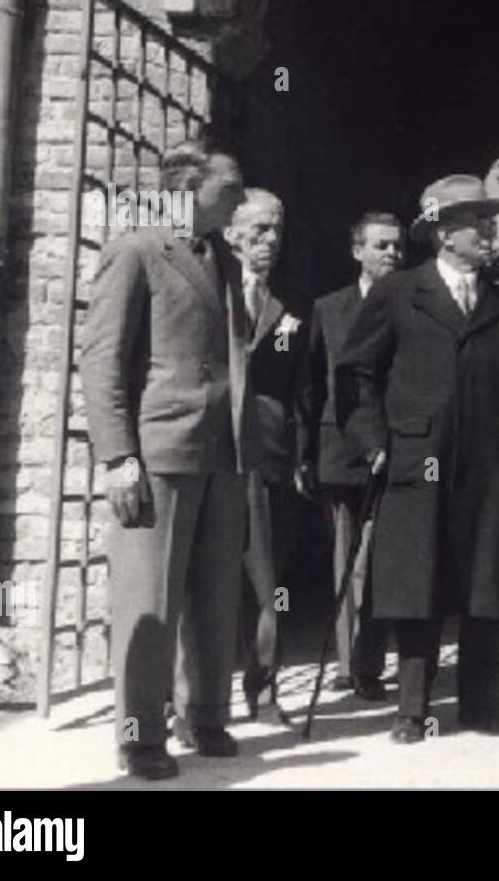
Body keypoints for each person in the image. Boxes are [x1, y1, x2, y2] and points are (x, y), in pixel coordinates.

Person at [79, 137, 255, 779]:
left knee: (214, 594)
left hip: (221, 450)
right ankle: (139, 733)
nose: (238, 196)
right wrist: (118, 455)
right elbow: (102, 361)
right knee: (148, 597)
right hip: (158, 450)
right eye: (229, 184)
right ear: (188, 187)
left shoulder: (225, 262)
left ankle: (205, 714)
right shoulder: (135, 250)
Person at [336, 175, 499, 743]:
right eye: (478, 220)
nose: (491, 230)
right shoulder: (398, 293)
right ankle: (412, 710)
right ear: (445, 233)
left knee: (484, 578)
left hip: (488, 464)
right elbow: (356, 374)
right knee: (417, 581)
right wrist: (373, 442)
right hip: (416, 460)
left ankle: (482, 706)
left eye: (490, 220)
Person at [208, 188, 311, 722]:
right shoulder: (209, 289)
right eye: (260, 230)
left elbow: (299, 388)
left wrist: (297, 454)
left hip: (266, 460)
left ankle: (264, 689)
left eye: (277, 230)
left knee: (269, 586)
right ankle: (189, 703)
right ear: (230, 234)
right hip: (211, 456)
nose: (271, 240)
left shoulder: (289, 305)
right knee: (202, 582)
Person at [299, 211, 402, 699]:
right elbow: (311, 384)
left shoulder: (414, 305)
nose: (391, 254)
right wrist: (303, 453)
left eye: (397, 246)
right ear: (357, 251)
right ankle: (347, 660)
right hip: (339, 450)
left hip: (394, 450)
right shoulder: (328, 308)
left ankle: (369, 664)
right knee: (345, 559)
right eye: (381, 245)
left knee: (381, 560)